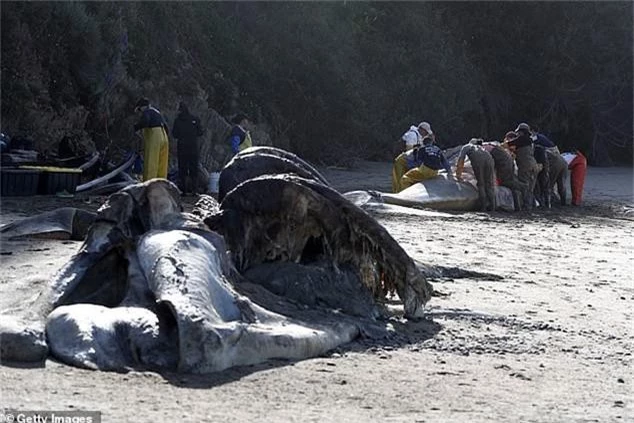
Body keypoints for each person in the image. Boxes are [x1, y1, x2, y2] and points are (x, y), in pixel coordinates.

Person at [455, 138, 496, 211]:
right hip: (490, 159)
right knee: (489, 184)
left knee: (481, 183)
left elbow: (460, 161)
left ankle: (483, 207)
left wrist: (458, 175)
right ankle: (493, 206)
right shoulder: (482, 148)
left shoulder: (466, 146)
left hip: (478, 159)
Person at [133, 97, 169, 181]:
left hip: (154, 136)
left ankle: (149, 184)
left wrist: (136, 127)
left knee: (151, 162)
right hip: (164, 136)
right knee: (162, 164)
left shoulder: (147, 112)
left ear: (142, 107)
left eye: (139, 109)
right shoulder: (157, 112)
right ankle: (161, 183)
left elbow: (146, 121)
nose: (140, 112)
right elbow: (166, 128)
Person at [487, 140, 528, 211]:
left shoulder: (484, 149)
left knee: (505, 182)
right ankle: (518, 205)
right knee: (511, 185)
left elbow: (489, 163)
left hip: (505, 166)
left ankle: (522, 186)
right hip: (509, 164)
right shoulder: (496, 147)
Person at [172, 102, 203, 195]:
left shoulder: (177, 120)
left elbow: (175, 134)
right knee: (194, 169)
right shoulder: (195, 119)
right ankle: (195, 190)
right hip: (193, 147)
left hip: (182, 148)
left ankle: (183, 191)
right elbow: (200, 132)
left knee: (182, 169)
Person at [506, 123, 540, 210]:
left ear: (522, 132)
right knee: (530, 188)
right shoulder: (530, 141)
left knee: (524, 186)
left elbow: (508, 144)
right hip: (534, 165)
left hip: (525, 166)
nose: (517, 134)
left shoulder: (522, 139)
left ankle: (526, 207)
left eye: (518, 132)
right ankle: (532, 206)